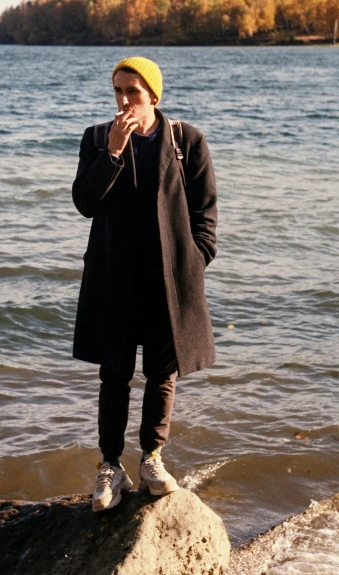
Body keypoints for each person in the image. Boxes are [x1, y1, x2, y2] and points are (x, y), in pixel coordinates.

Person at [72, 57, 217, 512]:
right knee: (113, 373)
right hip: (114, 276)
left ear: (153, 95)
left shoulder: (186, 141)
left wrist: (195, 260)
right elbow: (85, 203)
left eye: (132, 91)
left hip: (168, 278)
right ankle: (110, 466)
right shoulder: (98, 138)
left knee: (162, 373)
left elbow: (205, 212)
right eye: (117, 91)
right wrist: (112, 153)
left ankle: (152, 458)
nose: (123, 101)